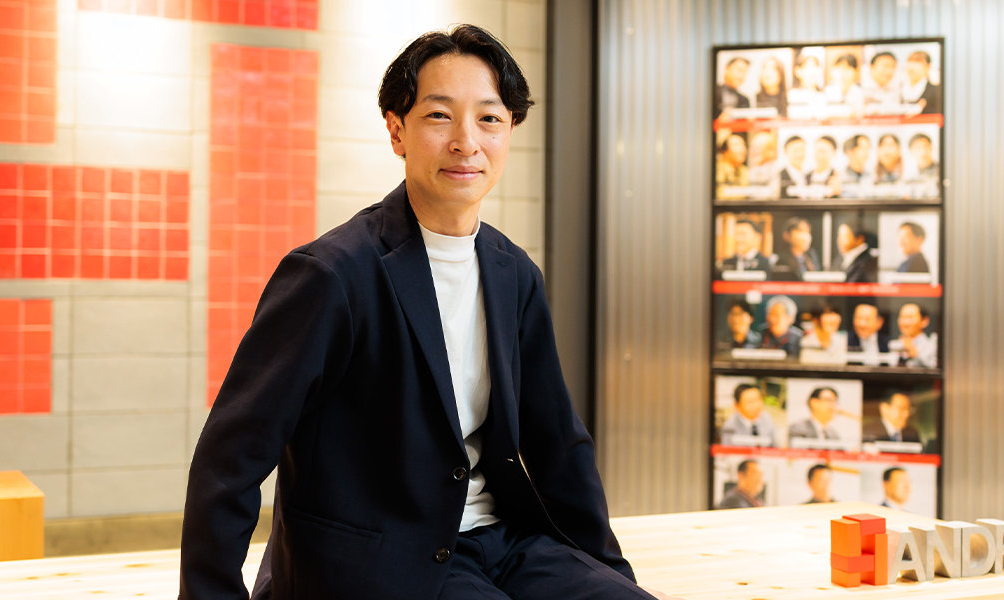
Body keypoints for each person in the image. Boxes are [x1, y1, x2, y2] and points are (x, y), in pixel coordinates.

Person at [179, 25, 678, 600]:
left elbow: (558, 444)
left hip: (503, 541)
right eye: (440, 116)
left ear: (510, 130)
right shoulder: (331, 275)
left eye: (489, 119)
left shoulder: (513, 273)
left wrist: (608, 574)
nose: (467, 142)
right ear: (397, 130)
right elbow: (231, 457)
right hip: (384, 559)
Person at [894, 303, 938, 368]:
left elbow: (936, 366)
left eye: (910, 317)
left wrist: (915, 354)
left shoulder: (932, 345)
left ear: (924, 321)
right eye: (902, 317)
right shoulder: (893, 344)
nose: (905, 322)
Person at [903, 51, 942, 115]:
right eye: (910, 61)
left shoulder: (936, 90)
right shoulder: (898, 89)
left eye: (918, 61)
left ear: (928, 66)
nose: (912, 66)